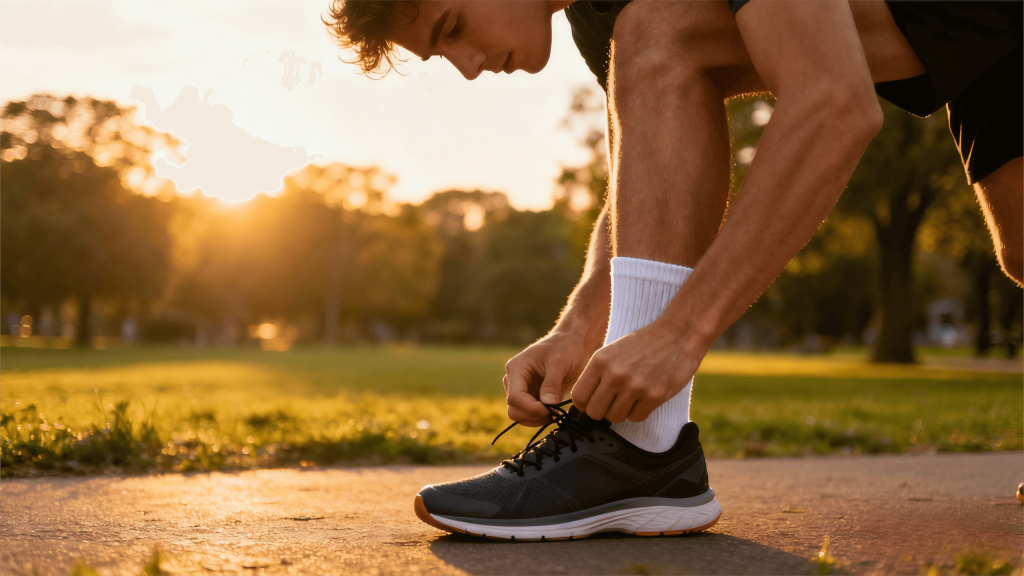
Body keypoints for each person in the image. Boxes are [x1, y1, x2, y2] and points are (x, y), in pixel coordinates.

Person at [324, 0, 1023, 540]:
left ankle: (639, 447)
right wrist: (579, 328)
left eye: (451, 28)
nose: (467, 65)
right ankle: (640, 453)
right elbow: (652, 182)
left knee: (658, 27)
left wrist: (682, 332)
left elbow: (834, 103)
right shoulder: (608, 20)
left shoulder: (644, 21)